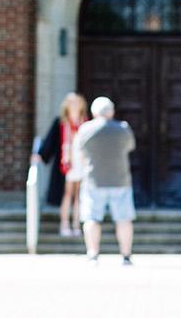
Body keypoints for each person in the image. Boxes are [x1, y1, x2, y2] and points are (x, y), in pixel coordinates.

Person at [71, 96, 137, 265]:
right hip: (120, 180)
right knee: (123, 219)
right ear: (112, 111)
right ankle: (126, 255)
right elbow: (130, 147)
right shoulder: (122, 129)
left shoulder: (86, 130)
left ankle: (93, 254)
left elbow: (79, 151)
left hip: (94, 180)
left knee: (92, 218)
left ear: (94, 112)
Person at [33, 92, 91, 236]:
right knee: (67, 193)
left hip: (82, 162)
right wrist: (40, 155)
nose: (75, 105)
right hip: (66, 163)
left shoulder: (86, 122)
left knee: (79, 194)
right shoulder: (61, 122)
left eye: (77, 102)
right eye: (71, 103)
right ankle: (64, 224)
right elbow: (50, 142)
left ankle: (77, 224)